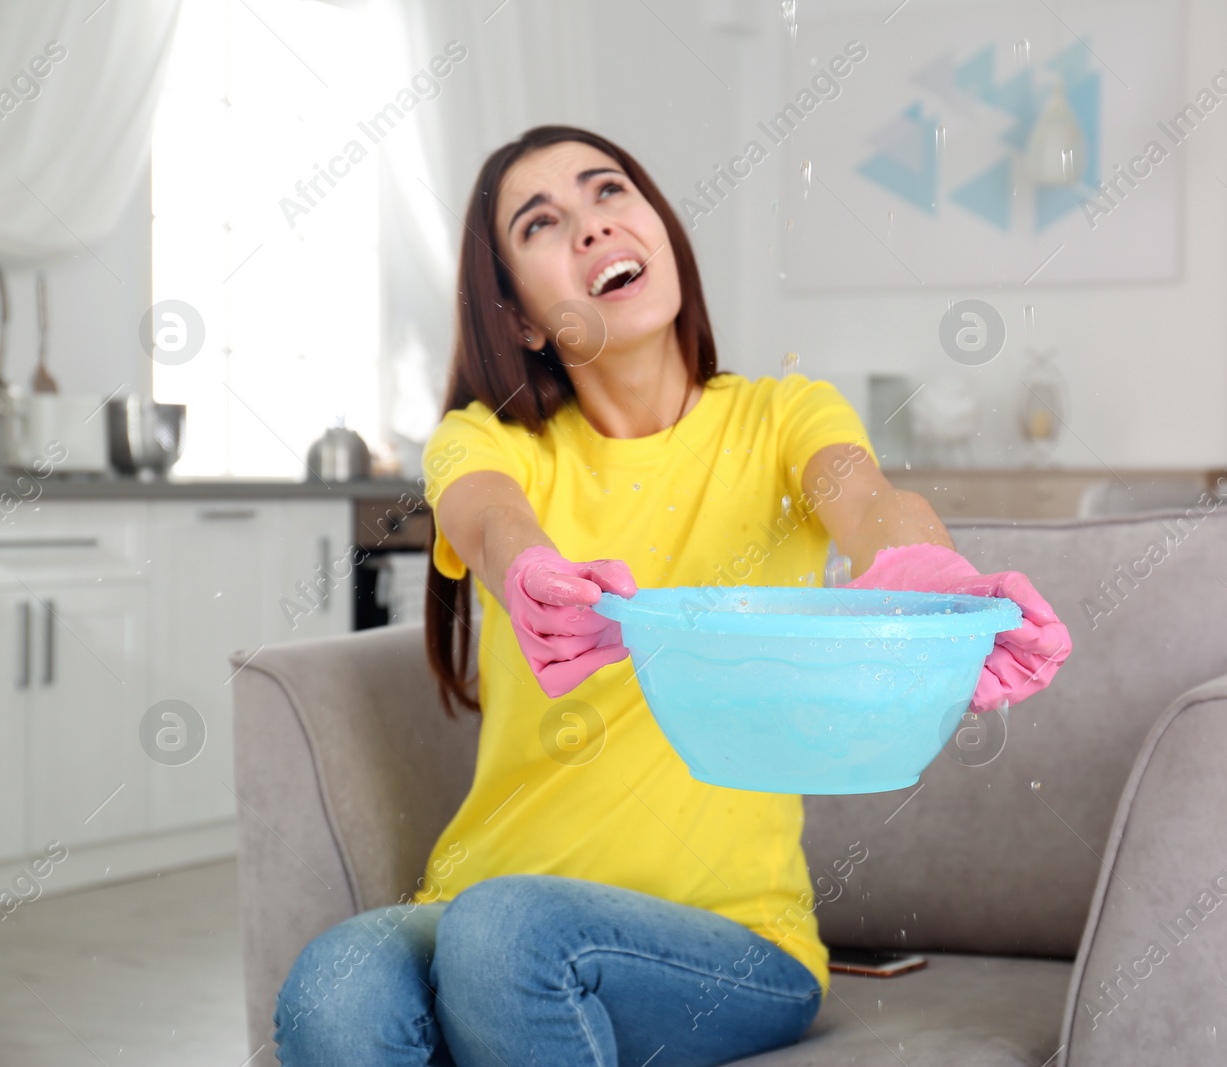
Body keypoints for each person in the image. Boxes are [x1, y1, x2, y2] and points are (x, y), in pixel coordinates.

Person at [273, 125, 1071, 1067]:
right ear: (522, 318)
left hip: (731, 938)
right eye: (542, 223)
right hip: (480, 896)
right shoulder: (488, 441)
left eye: (609, 191)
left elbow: (865, 498)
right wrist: (531, 570)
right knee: (335, 988)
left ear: (660, 227)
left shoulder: (782, 417)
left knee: (509, 936)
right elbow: (489, 518)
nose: (590, 226)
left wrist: (930, 577)